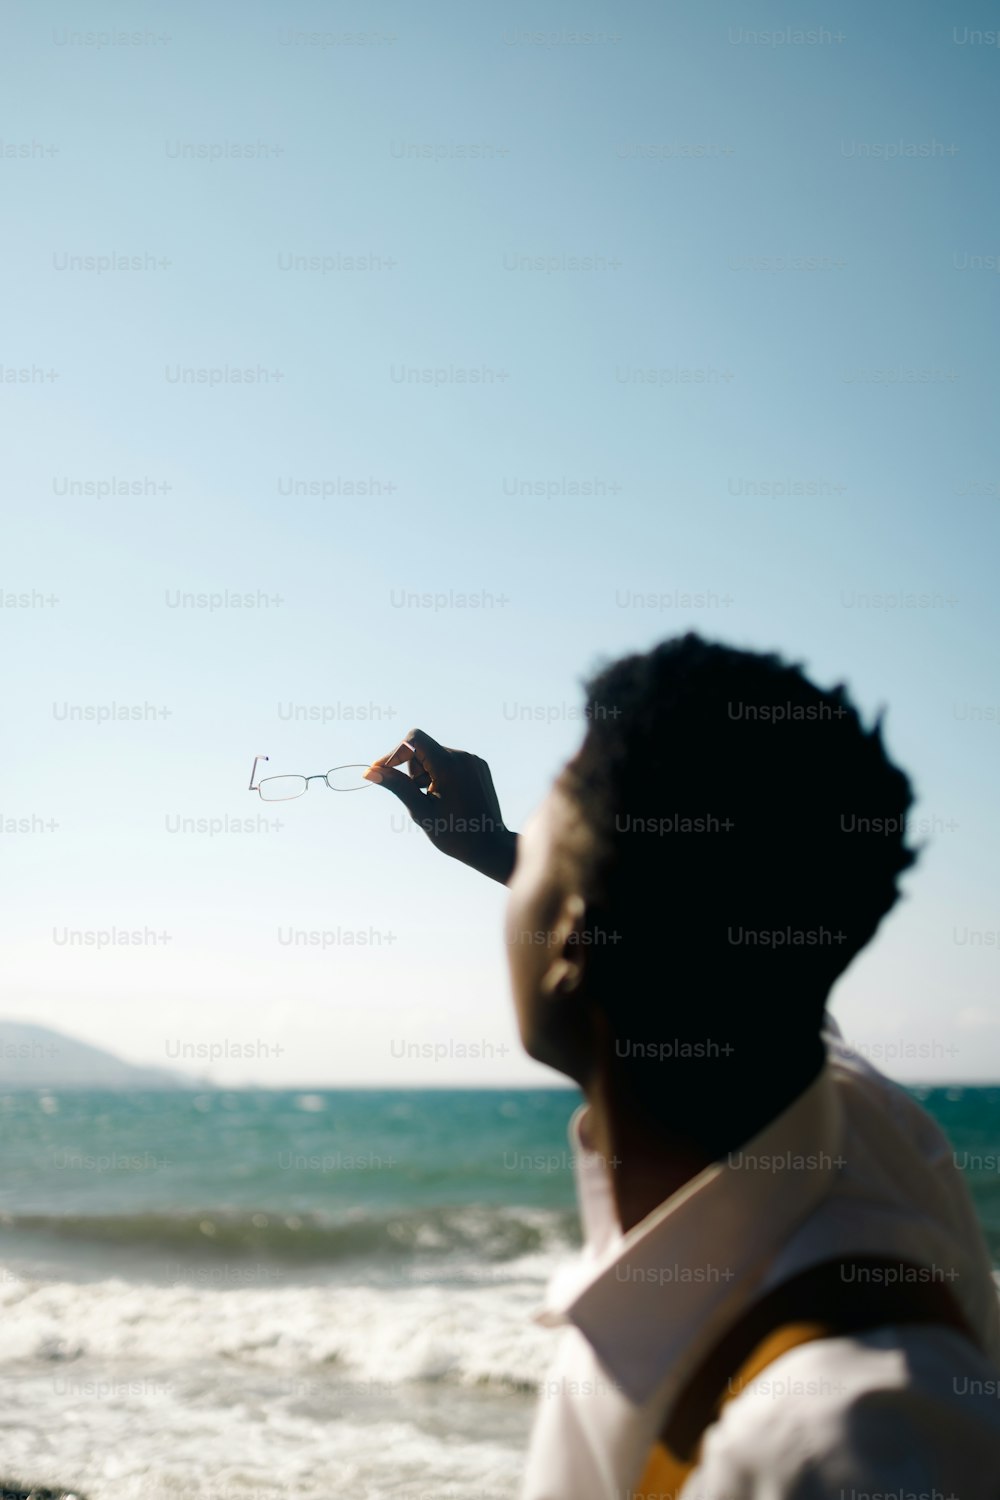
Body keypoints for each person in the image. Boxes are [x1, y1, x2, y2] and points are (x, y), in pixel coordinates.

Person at [364, 632, 1000, 1499]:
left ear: (575, 940)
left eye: (540, 851)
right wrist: (514, 852)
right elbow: (735, 955)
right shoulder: (882, 1140)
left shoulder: (844, 1443)